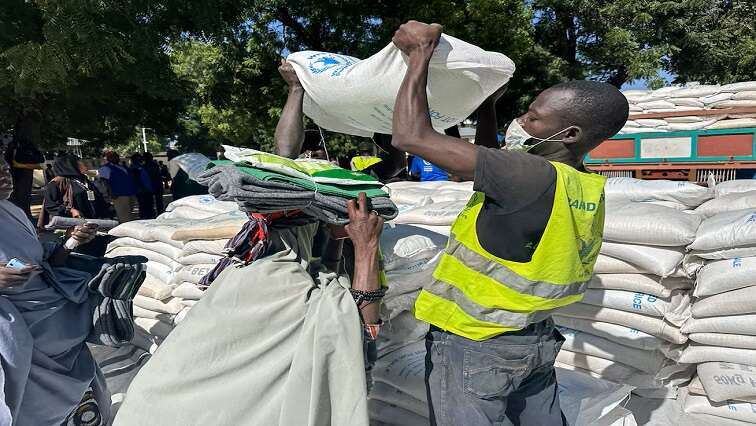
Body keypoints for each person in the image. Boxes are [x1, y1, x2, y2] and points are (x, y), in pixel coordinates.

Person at [390, 21, 629, 425]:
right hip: (531, 338)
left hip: (476, 342)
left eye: (533, 118)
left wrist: (419, 56)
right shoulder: (580, 184)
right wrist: (487, 104)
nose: (522, 120)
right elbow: (486, 160)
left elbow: (410, 136)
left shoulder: (526, 176)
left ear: (568, 133)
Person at [0, 152, 109, 425]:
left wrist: (72, 241)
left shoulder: (11, 211)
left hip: (56, 314)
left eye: (4, 167)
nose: (5, 175)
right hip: (18, 327)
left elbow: (44, 259)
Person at [275, 58, 405, 182]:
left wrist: (382, 117)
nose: (311, 152)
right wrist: (296, 88)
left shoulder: (351, 178)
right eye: (303, 149)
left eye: (316, 146)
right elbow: (285, 157)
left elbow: (396, 163)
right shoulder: (297, 181)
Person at [97, 150, 138, 223]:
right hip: (119, 194)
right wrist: (111, 192)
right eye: (114, 156)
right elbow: (104, 181)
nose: (117, 157)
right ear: (109, 158)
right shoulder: (105, 168)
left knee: (129, 213)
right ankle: (125, 231)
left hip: (130, 193)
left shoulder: (122, 166)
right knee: (124, 215)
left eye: (117, 156)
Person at [129, 153, 156, 219]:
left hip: (146, 190)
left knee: (148, 206)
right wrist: (145, 189)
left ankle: (149, 217)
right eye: (139, 158)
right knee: (145, 207)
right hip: (142, 191)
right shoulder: (135, 168)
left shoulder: (140, 167)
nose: (141, 159)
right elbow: (137, 180)